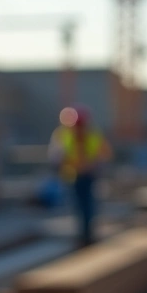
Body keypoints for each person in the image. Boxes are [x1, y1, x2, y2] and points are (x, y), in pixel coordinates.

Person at [49, 105, 113, 246]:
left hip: (89, 175)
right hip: (73, 175)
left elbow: (104, 154)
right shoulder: (62, 135)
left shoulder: (93, 135)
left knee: (89, 205)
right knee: (77, 205)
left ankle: (88, 234)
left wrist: (94, 165)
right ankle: (82, 234)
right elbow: (56, 157)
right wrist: (66, 163)